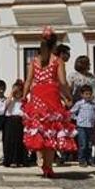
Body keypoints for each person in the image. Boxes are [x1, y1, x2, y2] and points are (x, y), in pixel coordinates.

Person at [22, 27, 77, 177]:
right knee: (52, 130)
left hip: (37, 96)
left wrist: (24, 96)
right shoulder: (57, 61)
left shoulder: (34, 61)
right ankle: (48, 167)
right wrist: (68, 96)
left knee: (41, 130)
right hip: (51, 96)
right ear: (54, 46)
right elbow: (63, 82)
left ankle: (45, 166)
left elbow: (28, 81)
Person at [70, 85, 95, 167]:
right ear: (82, 95)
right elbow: (71, 112)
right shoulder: (79, 104)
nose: (88, 96)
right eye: (86, 94)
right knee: (83, 144)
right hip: (81, 126)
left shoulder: (93, 104)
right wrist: (77, 118)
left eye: (89, 94)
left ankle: (89, 159)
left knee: (89, 144)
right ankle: (81, 160)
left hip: (90, 126)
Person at [2, 80, 26, 168]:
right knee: (9, 141)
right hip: (10, 120)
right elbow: (5, 105)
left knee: (18, 142)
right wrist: (12, 93)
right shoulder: (10, 99)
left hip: (19, 121)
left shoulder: (23, 100)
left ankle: (18, 160)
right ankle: (9, 160)